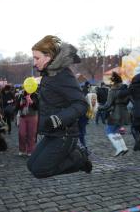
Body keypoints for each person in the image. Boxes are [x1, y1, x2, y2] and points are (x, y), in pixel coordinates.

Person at [27, 35, 92, 178]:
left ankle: (79, 159)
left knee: (40, 170)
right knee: (30, 165)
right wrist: (37, 101)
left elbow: (81, 104)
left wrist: (58, 119)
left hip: (65, 133)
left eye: (37, 58)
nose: (34, 62)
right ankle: (77, 157)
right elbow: (54, 101)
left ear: (48, 56)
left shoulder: (62, 74)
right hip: (52, 132)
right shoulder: (48, 74)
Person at [103, 72, 129, 156]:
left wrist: (97, 108)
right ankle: (124, 147)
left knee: (109, 131)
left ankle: (119, 148)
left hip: (115, 114)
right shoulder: (125, 90)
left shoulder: (113, 90)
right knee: (116, 131)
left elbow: (107, 105)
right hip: (124, 113)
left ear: (113, 82)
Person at [16, 90, 39, 156]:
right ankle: (22, 149)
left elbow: (37, 107)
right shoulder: (21, 95)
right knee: (22, 133)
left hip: (32, 116)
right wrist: (20, 104)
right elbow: (17, 107)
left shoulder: (36, 95)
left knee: (31, 134)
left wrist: (32, 102)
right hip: (23, 116)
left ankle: (30, 150)